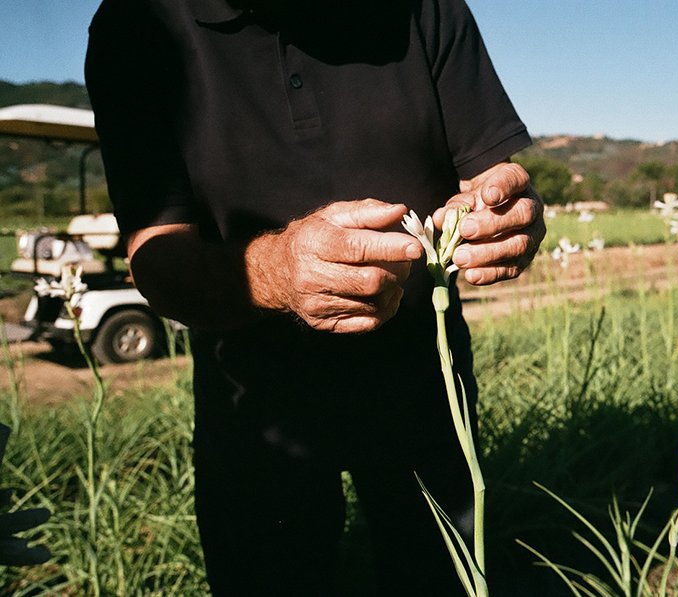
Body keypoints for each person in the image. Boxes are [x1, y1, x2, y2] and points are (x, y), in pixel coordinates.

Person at [85, 0, 544, 594]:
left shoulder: (426, 7)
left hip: (426, 378)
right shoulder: (136, 23)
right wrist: (275, 271)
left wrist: (506, 211)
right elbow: (157, 256)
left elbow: (490, 177)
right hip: (250, 400)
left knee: (442, 572)